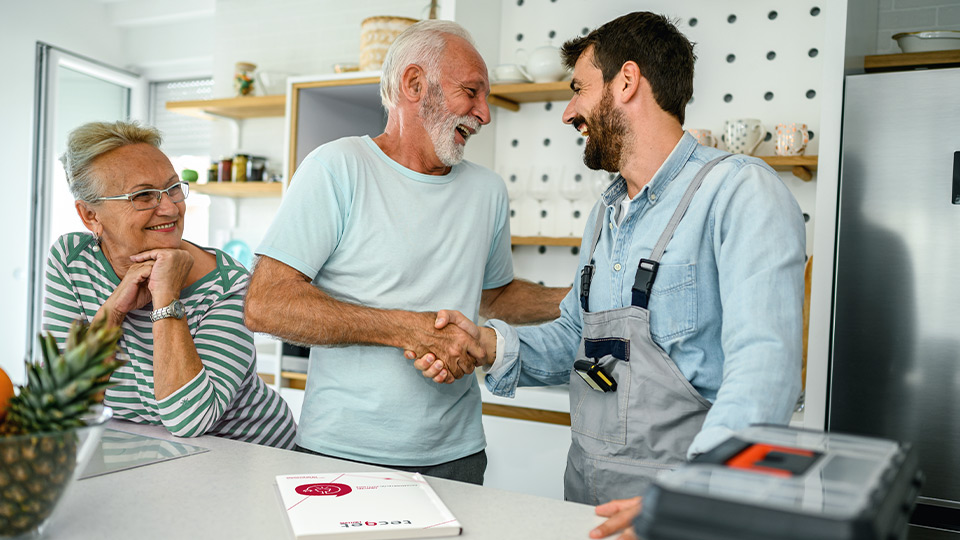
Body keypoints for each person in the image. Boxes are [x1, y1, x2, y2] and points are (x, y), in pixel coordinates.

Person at [416, 9, 806, 519]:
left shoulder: (739, 192)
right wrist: (488, 343)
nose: (568, 111)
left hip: (684, 515)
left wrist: (686, 500)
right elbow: (581, 342)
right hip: (589, 504)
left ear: (626, 80)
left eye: (579, 88)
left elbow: (765, 375)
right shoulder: (607, 212)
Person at [244, 20, 567, 485]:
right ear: (414, 84)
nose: (485, 114)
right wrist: (407, 330)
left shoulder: (488, 191)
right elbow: (265, 304)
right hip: (343, 453)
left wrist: (583, 297)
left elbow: (494, 298)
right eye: (471, 92)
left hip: (459, 455)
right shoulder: (337, 168)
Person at [43, 120, 297, 449]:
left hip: (252, 455)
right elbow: (67, 399)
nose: (169, 207)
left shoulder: (229, 286)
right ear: (91, 216)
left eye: (173, 188)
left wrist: (166, 296)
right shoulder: (72, 258)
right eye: (143, 196)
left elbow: (190, 419)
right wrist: (115, 310)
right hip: (150, 449)